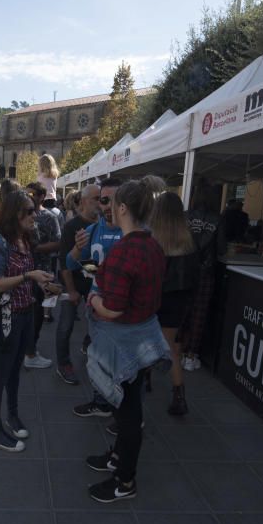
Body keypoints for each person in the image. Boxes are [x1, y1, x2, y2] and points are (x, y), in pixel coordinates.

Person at [85, 180, 169, 503]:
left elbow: (114, 309)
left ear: (122, 209)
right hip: (144, 336)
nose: (108, 209)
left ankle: (125, 481)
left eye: (113, 204)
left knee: (127, 412)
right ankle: (117, 459)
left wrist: (93, 299)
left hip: (125, 343)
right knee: (127, 405)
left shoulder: (124, 250)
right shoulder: (154, 245)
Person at [0, 191, 58, 451]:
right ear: (15, 213)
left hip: (26, 314)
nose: (35, 215)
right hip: (7, 318)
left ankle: (12, 415)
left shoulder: (25, 239)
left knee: (15, 371)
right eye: (29, 210)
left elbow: (29, 277)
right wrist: (28, 276)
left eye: (34, 209)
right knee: (0, 375)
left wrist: (44, 285)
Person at [65, 177, 124, 417]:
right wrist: (79, 249)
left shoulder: (134, 232)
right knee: (98, 359)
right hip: (97, 308)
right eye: (104, 200)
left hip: (123, 313)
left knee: (123, 366)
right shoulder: (94, 229)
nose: (108, 205)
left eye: (114, 200)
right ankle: (101, 403)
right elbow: (71, 262)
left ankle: (126, 416)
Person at [149, 192, 198, 415]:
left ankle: (146, 381)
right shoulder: (188, 239)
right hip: (179, 301)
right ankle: (179, 395)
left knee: (145, 343)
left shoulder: (152, 239)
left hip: (154, 299)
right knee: (172, 348)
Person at [55, 183, 100, 384]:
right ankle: (64, 364)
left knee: (96, 325)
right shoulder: (71, 227)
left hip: (94, 285)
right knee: (65, 325)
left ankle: (88, 347)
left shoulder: (104, 225)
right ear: (82, 202)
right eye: (95, 199)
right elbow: (64, 262)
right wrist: (71, 291)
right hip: (71, 281)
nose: (100, 204)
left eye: (102, 199)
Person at [181, 185, 226, 371]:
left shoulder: (185, 216)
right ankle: (190, 355)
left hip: (184, 270)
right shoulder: (218, 219)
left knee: (183, 310)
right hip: (206, 272)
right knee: (199, 313)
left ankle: (177, 350)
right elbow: (222, 249)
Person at [24, 182, 61, 369]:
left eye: (32, 193)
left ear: (42, 195)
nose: (29, 195)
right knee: (24, 312)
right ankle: (27, 350)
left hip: (43, 270)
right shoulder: (21, 216)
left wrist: (37, 248)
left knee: (38, 312)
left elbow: (58, 243)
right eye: (26, 192)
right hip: (23, 271)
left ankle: (31, 350)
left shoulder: (49, 217)